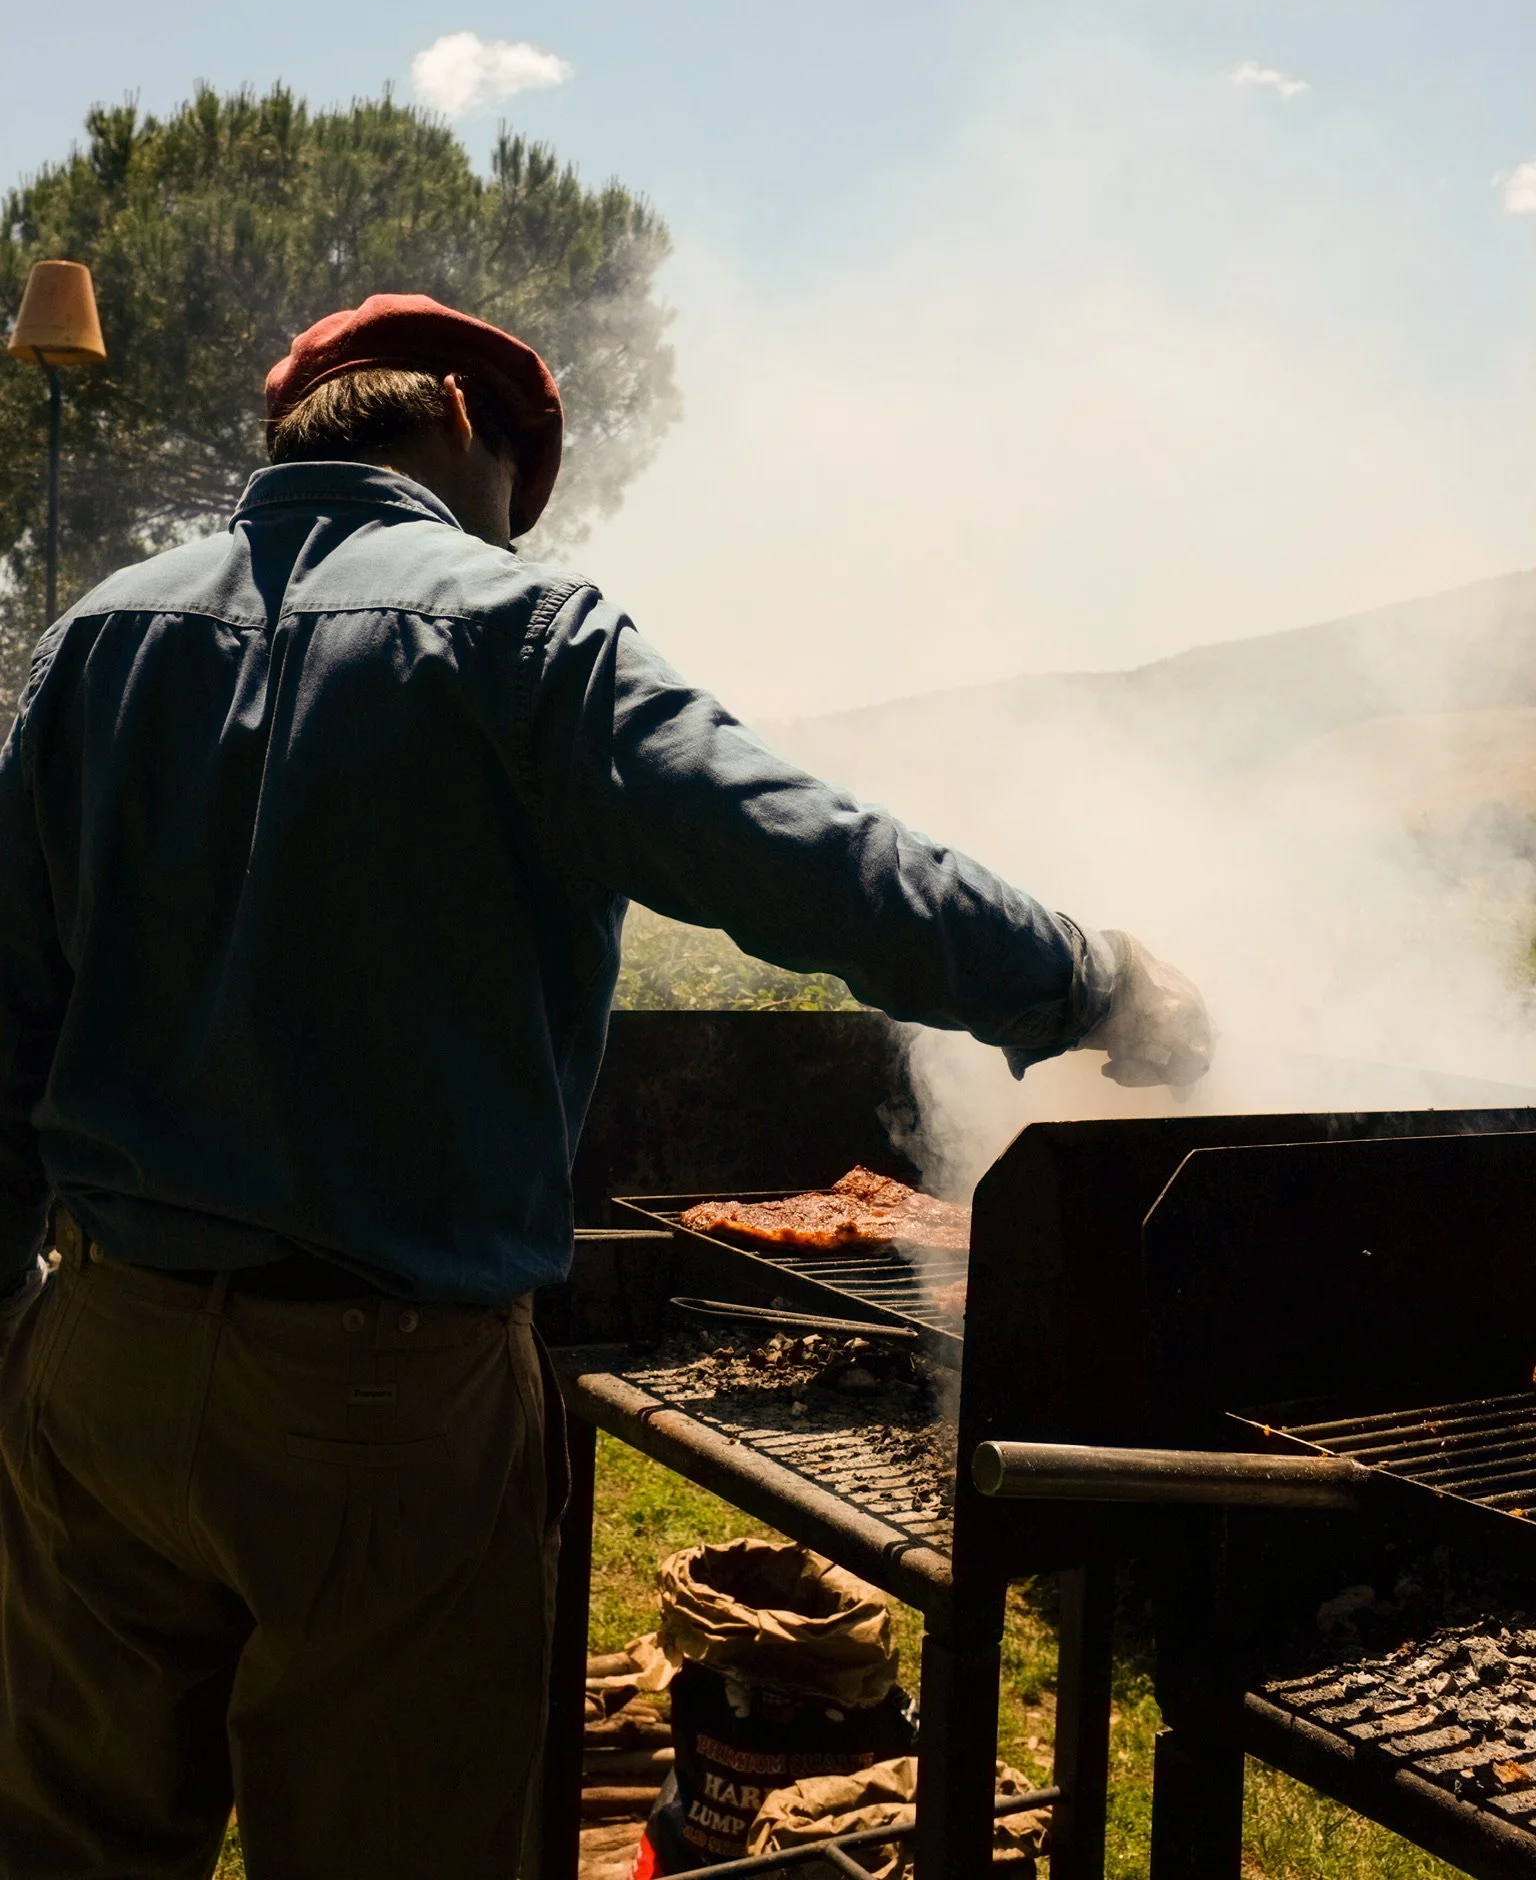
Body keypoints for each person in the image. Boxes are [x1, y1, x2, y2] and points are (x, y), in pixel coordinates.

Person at [0, 293, 1211, 1880]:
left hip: (101, 1365)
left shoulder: (103, 635)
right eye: (513, 488)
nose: (510, 529)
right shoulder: (523, 637)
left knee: (63, 1854)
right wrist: (1089, 978)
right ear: (452, 412)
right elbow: (822, 865)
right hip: (381, 1401)